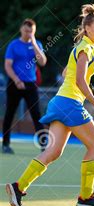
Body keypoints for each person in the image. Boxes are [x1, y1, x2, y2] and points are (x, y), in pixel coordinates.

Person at [5, 4, 94, 206]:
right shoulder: (86, 48)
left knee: (53, 152)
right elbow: (79, 81)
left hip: (61, 102)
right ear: (87, 28)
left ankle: (18, 188)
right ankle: (86, 197)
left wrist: (85, 85)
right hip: (70, 104)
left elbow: (66, 74)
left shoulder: (82, 47)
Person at [3, 19, 47, 154]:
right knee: (10, 114)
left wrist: (33, 43)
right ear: (21, 29)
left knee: (37, 115)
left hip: (30, 85)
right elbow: (8, 65)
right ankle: (5, 145)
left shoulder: (37, 44)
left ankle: (43, 146)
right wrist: (16, 80)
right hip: (14, 83)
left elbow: (42, 62)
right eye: (26, 30)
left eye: (31, 31)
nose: (28, 33)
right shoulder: (13, 45)